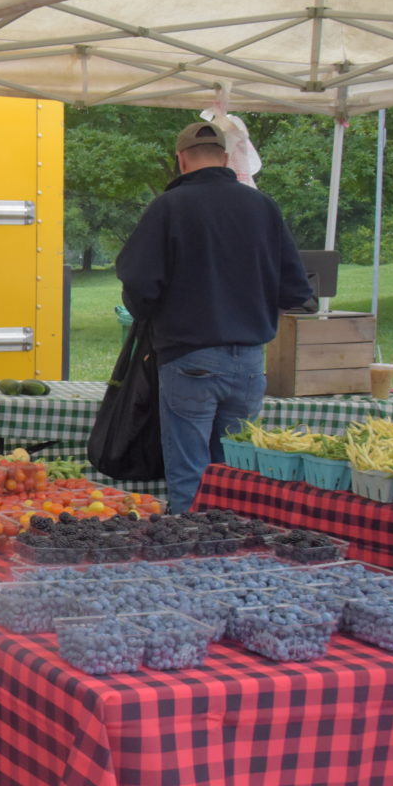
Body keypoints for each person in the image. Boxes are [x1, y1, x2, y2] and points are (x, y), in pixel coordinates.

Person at [117, 120, 314, 515]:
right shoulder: (263, 207)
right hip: (250, 362)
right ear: (226, 158)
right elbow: (297, 292)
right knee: (234, 474)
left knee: (190, 474)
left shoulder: (168, 207)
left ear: (181, 161)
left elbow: (139, 280)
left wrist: (147, 311)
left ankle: (191, 559)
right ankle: (230, 555)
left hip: (189, 358)